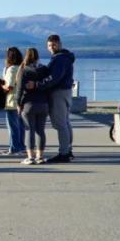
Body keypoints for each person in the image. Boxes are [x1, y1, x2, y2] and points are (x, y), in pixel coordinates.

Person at [25, 34, 76, 163]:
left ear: (60, 44)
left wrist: (37, 84)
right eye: (49, 45)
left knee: (60, 124)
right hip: (66, 91)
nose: (51, 47)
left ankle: (64, 154)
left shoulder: (59, 59)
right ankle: (68, 150)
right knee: (65, 122)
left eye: (54, 44)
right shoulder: (65, 58)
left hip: (59, 92)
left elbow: (54, 78)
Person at [15, 48, 49, 165]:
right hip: (43, 103)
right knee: (41, 131)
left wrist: (18, 103)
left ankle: (30, 157)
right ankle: (40, 156)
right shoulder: (44, 69)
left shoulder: (24, 70)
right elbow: (49, 85)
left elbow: (19, 89)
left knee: (30, 130)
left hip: (29, 104)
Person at [0, 47, 25, 155]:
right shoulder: (22, 67)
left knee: (13, 127)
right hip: (22, 101)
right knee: (20, 126)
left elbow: (9, 86)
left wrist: (1, 86)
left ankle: (14, 148)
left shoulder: (11, 69)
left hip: (12, 101)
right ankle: (21, 146)